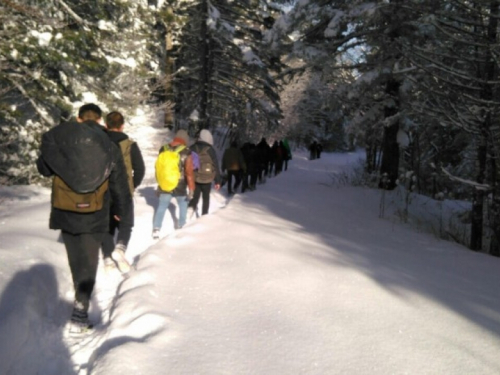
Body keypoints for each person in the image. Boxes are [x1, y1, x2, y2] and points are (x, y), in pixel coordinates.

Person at [36, 103, 131, 333]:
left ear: (79, 119)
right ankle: (81, 308)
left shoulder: (62, 140)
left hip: (65, 209)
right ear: (99, 120)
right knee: (90, 261)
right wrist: (122, 211)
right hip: (96, 212)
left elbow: (44, 169)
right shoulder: (108, 144)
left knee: (75, 259)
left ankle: (80, 297)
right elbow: (118, 182)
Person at [101, 111, 145, 273]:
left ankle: (107, 258)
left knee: (106, 225)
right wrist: (131, 186)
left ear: (106, 125)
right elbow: (139, 169)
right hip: (123, 189)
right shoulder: (130, 145)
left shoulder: (99, 143)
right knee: (126, 223)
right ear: (122, 126)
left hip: (102, 190)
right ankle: (120, 248)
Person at [152, 129, 195, 239]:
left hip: (165, 183)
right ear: (185, 139)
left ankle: (156, 229)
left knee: (162, 206)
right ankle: (181, 226)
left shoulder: (164, 148)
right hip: (179, 184)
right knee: (182, 204)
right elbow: (189, 172)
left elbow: (159, 169)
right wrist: (191, 188)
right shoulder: (186, 151)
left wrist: (159, 184)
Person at [188, 129, 222, 215]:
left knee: (195, 197)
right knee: (205, 198)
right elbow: (215, 165)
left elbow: (187, 163)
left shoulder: (192, 147)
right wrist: (217, 181)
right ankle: (204, 215)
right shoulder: (210, 150)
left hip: (196, 178)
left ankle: (191, 209)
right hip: (207, 179)